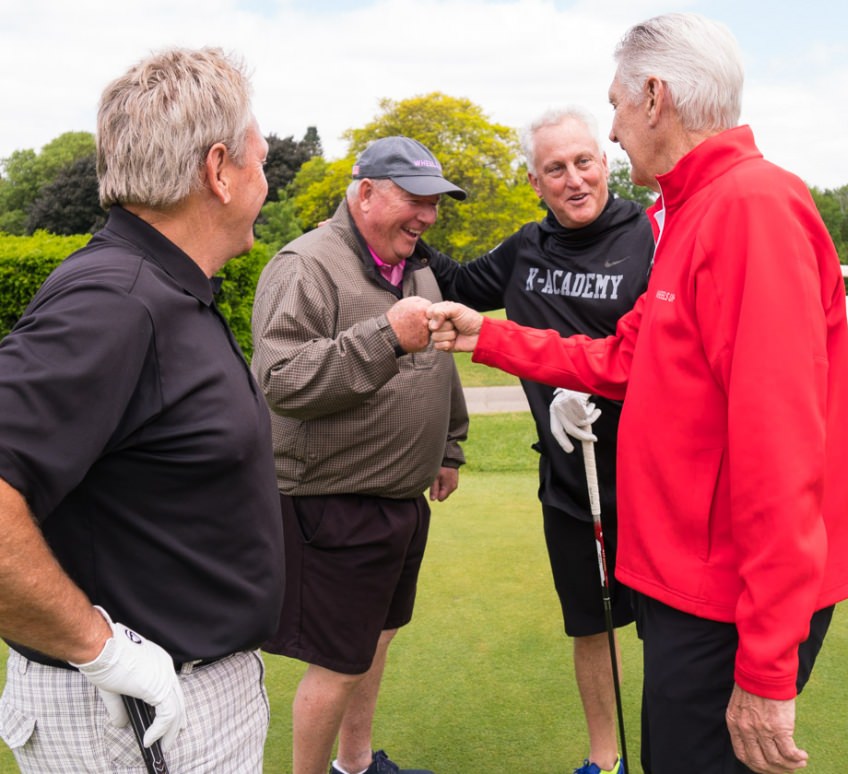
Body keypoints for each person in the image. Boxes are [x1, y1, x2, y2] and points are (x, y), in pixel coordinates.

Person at [427, 13, 848, 774]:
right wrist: (484, 335)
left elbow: (782, 448)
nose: (614, 129)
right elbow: (629, 358)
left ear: (656, 97)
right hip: (683, 582)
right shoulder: (695, 210)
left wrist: (766, 665)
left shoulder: (749, 209)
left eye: (617, 106)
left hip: (723, 597)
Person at [0, 47, 284, 772]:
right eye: (259, 158)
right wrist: (101, 650)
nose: (266, 177)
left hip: (176, 705)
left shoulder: (166, 288)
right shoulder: (115, 301)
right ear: (218, 171)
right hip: (131, 720)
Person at [427, 106, 652, 774]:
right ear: (535, 181)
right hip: (570, 483)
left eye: (584, 161)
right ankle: (604, 760)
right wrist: (404, 225)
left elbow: (664, 352)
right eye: (556, 168)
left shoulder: (652, 236)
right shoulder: (526, 249)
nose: (574, 179)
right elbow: (461, 284)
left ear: (604, 161)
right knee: (591, 626)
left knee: (672, 628)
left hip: (654, 480)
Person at [251, 136, 469, 774]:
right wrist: (385, 337)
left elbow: (438, 365)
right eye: (414, 199)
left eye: (434, 203)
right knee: (340, 662)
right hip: (334, 502)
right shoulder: (306, 265)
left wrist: (449, 443)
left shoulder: (417, 266)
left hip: (400, 499)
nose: (426, 216)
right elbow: (282, 381)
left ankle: (355, 766)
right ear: (365, 192)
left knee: (374, 643)